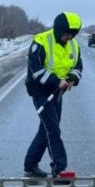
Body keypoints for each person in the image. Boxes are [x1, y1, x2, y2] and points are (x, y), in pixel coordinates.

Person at [23, 11, 83, 177]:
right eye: (67, 33)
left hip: (58, 92)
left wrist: (72, 78)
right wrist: (57, 81)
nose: (69, 37)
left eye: (72, 34)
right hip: (40, 91)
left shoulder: (73, 44)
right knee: (53, 130)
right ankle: (59, 168)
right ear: (58, 30)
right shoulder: (41, 42)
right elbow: (36, 71)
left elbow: (78, 66)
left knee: (46, 129)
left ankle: (30, 163)